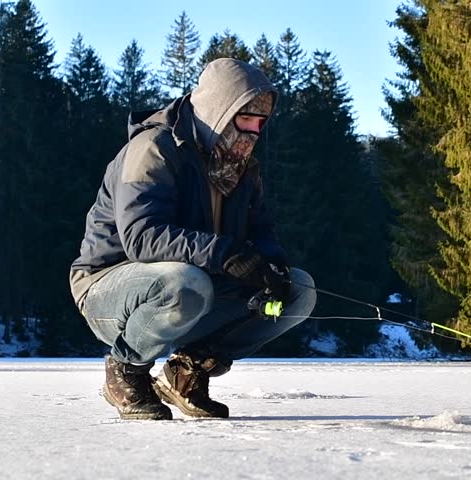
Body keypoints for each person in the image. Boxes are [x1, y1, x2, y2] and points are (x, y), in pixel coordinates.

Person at [68, 58, 317, 420]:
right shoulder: (153, 148)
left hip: (192, 288)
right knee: (187, 283)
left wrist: (271, 266)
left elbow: (262, 232)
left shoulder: (242, 168)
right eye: (246, 119)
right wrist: (226, 254)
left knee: (299, 291)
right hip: (109, 289)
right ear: (220, 111)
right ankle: (125, 369)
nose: (255, 132)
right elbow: (142, 236)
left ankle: (187, 370)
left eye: (261, 123)